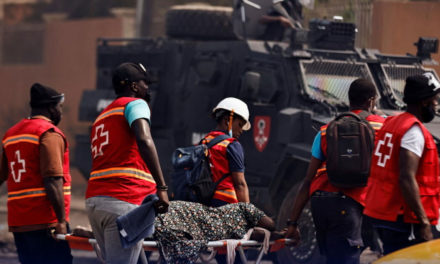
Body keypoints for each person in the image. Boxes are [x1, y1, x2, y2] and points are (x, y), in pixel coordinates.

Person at [285, 78, 385, 264]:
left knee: (333, 258)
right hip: (351, 203)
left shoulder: (326, 130)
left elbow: (308, 179)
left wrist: (292, 222)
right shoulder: (382, 126)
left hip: (321, 203)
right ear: (371, 101)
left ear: (349, 100)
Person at [85, 62, 170, 264]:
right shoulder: (136, 104)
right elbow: (144, 139)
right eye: (144, 82)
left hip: (95, 202)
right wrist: (162, 187)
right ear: (133, 86)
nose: (147, 87)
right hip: (122, 199)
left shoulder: (102, 116)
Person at [363, 73, 440, 254]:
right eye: (435, 101)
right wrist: (424, 222)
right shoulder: (413, 131)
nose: (436, 105)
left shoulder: (392, 122)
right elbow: (406, 178)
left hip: (382, 211)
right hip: (402, 216)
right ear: (424, 102)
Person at [0, 83, 72, 264]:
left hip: (19, 223)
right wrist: (61, 221)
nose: (60, 112)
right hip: (46, 221)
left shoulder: (11, 135)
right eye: (59, 107)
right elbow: (53, 180)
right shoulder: (48, 133)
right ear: (50, 107)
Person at [203, 97, 251, 207]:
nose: (241, 130)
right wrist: (249, 214)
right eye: (240, 124)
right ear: (227, 120)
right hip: (226, 204)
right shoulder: (232, 145)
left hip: (204, 203)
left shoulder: (204, 141)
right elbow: (240, 184)